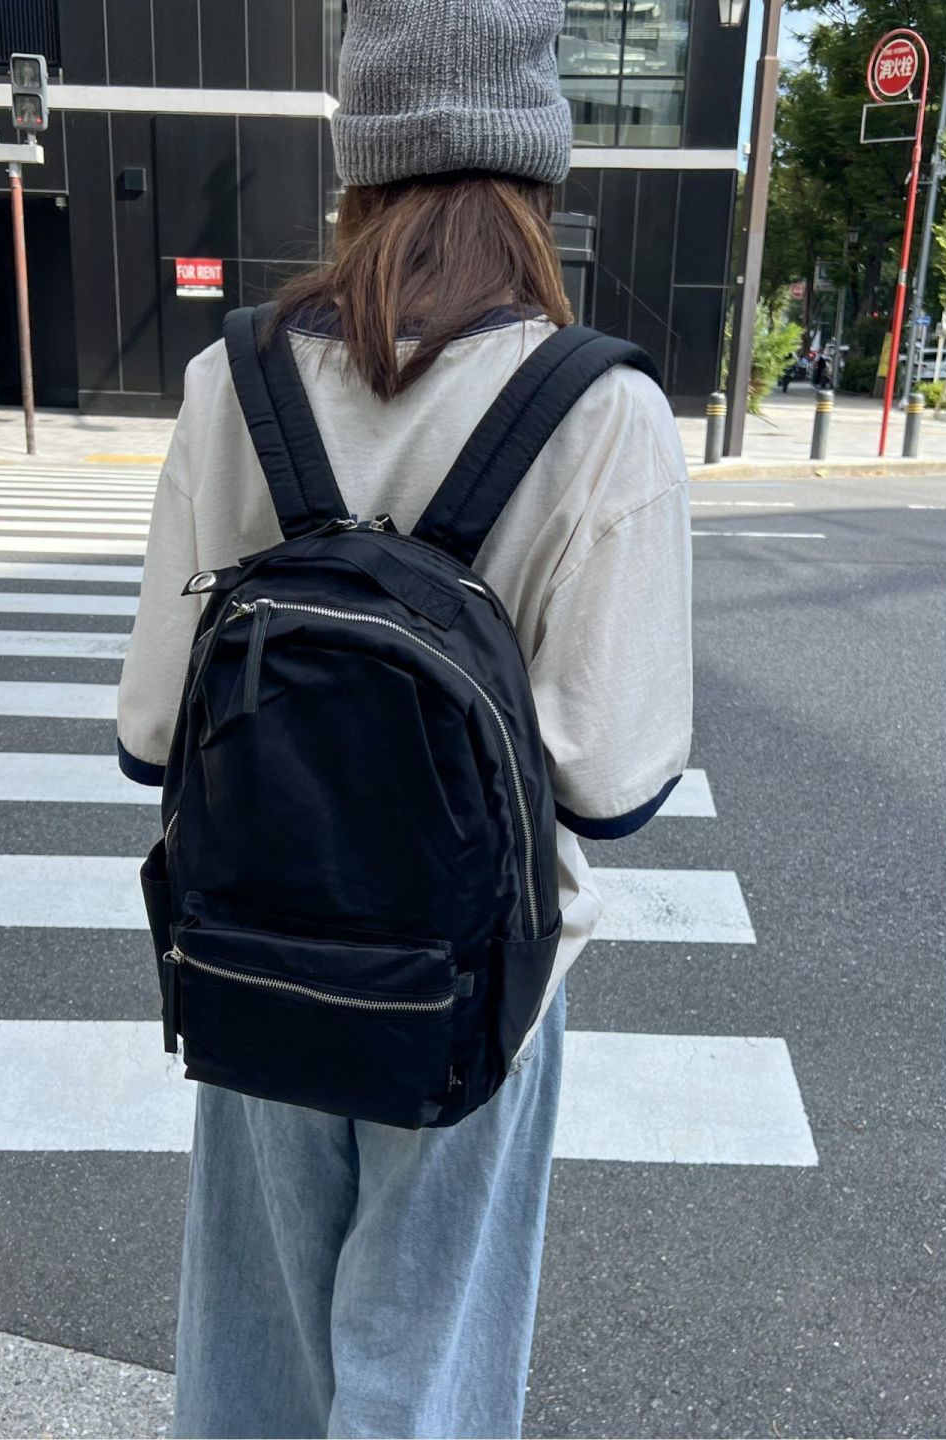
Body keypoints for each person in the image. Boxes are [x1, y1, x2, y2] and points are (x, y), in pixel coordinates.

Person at [117, 1, 693, 1434]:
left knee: (253, 1354)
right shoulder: (601, 409)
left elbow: (152, 733)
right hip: (476, 983)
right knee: (429, 1365)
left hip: (256, 948)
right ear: (540, 163)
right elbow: (610, 779)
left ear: (356, 156)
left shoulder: (230, 379)